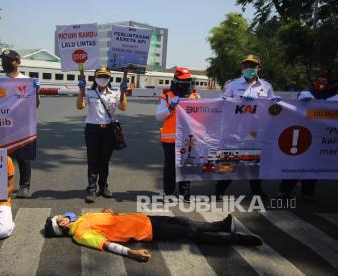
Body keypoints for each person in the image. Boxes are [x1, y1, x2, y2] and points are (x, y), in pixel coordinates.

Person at [44, 208, 262, 262]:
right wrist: (133, 253)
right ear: (61, 226)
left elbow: (107, 221)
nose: (62, 215)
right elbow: (106, 243)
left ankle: (219, 224)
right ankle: (233, 239)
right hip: (146, 230)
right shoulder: (80, 233)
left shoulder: (80, 219)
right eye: (59, 218)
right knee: (189, 232)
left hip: (143, 218)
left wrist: (108, 213)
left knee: (183, 221)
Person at [215, 54, 279, 201]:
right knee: (229, 162)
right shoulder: (232, 85)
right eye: (246, 65)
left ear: (259, 68)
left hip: (256, 131)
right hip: (234, 130)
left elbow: (271, 110)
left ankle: (256, 190)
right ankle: (220, 189)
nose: (249, 68)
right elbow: (222, 103)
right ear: (241, 67)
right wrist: (238, 101)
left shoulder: (266, 86)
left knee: (256, 162)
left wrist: (275, 104)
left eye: (253, 65)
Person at [277, 70, 338, 201]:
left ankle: (308, 192)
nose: (321, 83)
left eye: (324, 81)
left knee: (313, 165)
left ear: (331, 83)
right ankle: (284, 190)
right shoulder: (307, 93)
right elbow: (297, 106)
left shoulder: (335, 96)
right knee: (295, 163)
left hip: (324, 136)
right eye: (319, 80)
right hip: (304, 134)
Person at [76, 66, 128, 203]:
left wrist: (123, 92)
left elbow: (123, 107)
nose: (102, 79)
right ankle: (91, 189)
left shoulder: (115, 93)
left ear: (109, 78)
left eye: (105, 76)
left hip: (109, 130)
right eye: (100, 76)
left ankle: (103, 187)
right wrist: (81, 91)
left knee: (105, 161)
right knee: (93, 160)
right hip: (92, 129)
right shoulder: (90, 92)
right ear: (95, 78)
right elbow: (80, 106)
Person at [0, 49, 40, 198]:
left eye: (8, 60)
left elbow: (35, 105)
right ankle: (1, 185)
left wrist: (37, 91)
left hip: (22, 125)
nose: (5, 63)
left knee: (23, 158)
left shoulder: (27, 81)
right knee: (2, 157)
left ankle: (24, 186)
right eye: (3, 60)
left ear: (18, 62)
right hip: (3, 125)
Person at [155, 67, 201, 202]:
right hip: (170, 138)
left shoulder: (195, 97)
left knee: (186, 166)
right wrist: (171, 107)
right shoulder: (167, 96)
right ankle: (168, 193)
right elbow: (158, 116)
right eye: (182, 81)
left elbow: (201, 117)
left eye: (187, 80)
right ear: (175, 81)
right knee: (170, 167)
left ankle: (185, 194)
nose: (185, 83)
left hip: (189, 139)